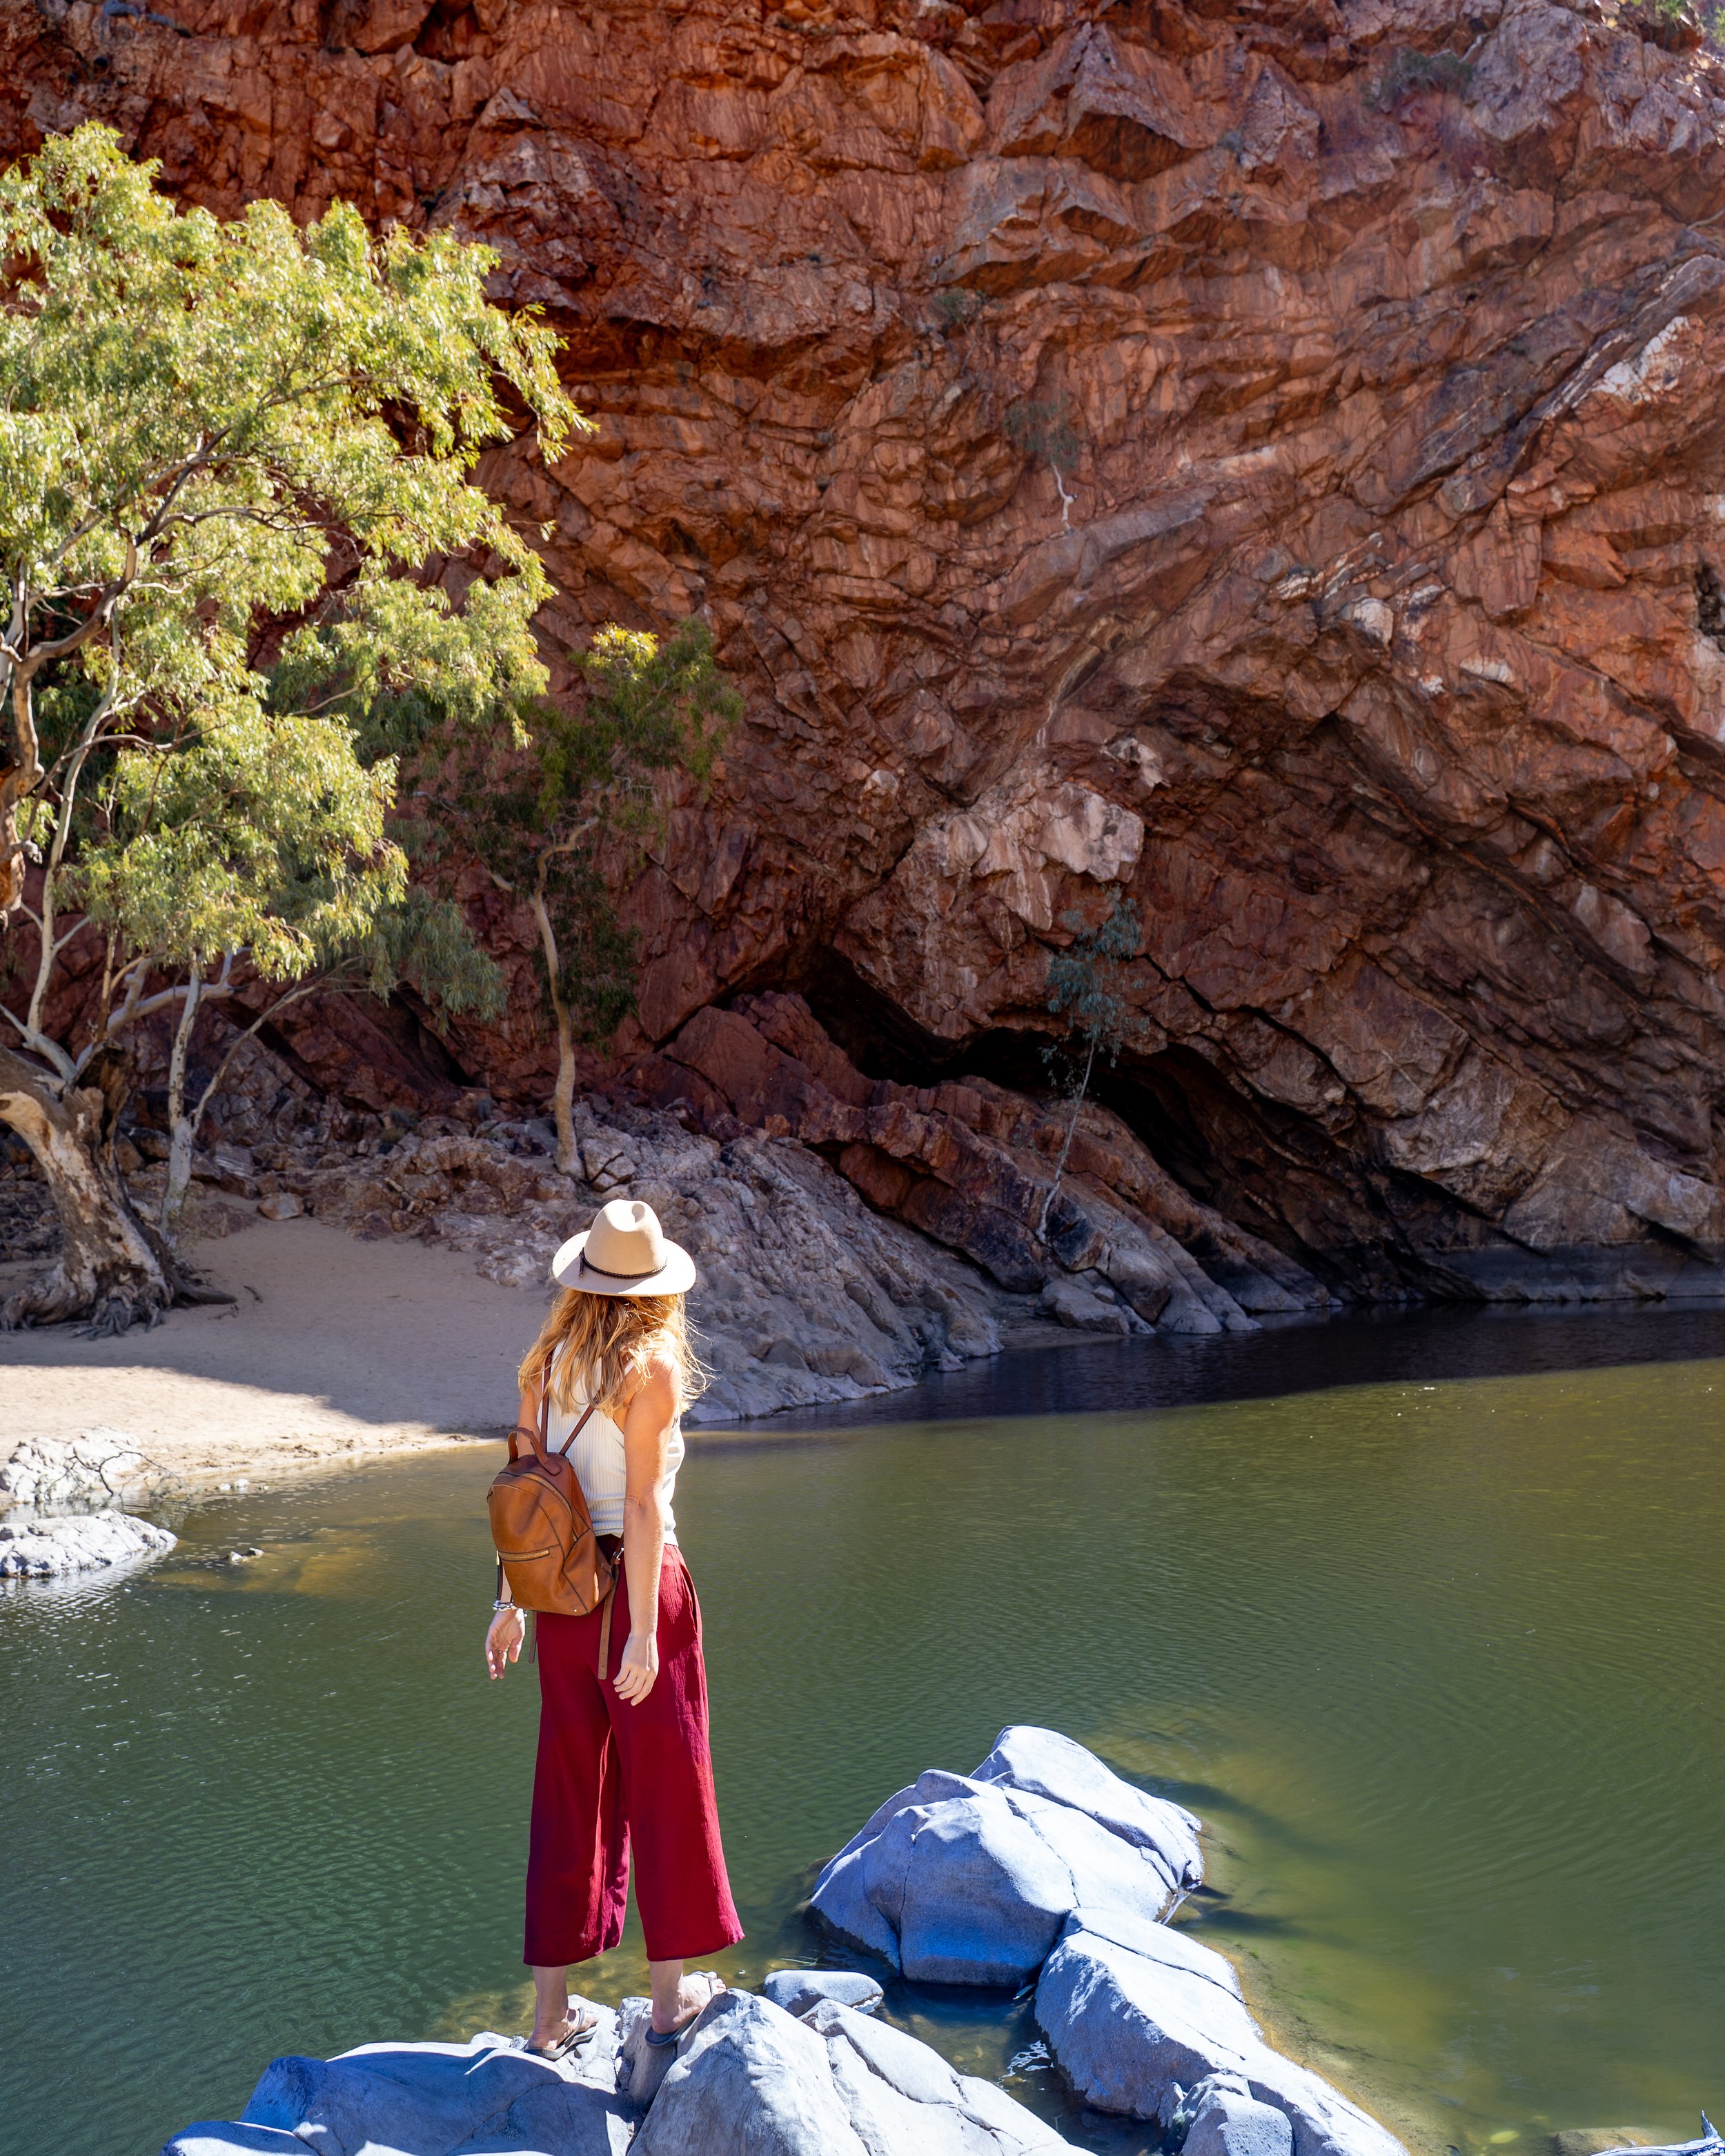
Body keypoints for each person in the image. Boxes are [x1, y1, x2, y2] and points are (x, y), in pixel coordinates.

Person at [484, 1197, 741, 2062]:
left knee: (568, 1793)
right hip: (636, 1596)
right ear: (656, 1290)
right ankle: (669, 2005)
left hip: (557, 1603)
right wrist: (638, 1632)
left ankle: (551, 2015)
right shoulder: (652, 1368)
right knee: (665, 1784)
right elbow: (636, 1507)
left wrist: (507, 1604)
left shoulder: (543, 1359)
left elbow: (522, 1493)